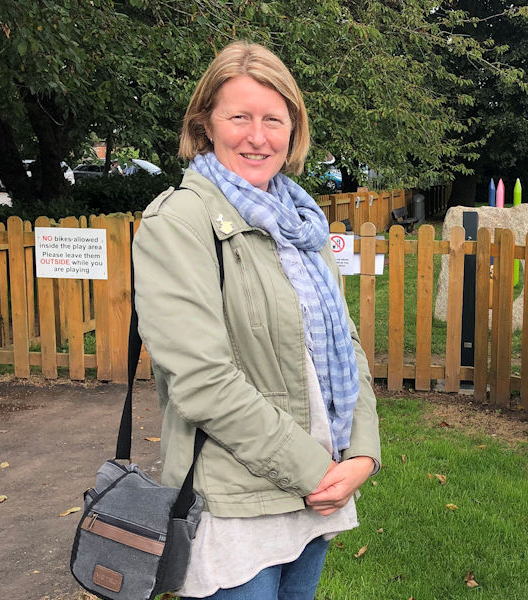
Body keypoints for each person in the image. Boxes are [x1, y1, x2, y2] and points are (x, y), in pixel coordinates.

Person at [132, 41, 380, 600]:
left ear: (293, 130)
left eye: (274, 119)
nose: (258, 135)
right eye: (239, 116)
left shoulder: (302, 224)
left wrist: (362, 453)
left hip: (320, 489)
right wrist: (314, 470)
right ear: (205, 125)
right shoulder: (179, 222)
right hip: (235, 503)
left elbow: (347, 344)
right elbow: (202, 382)